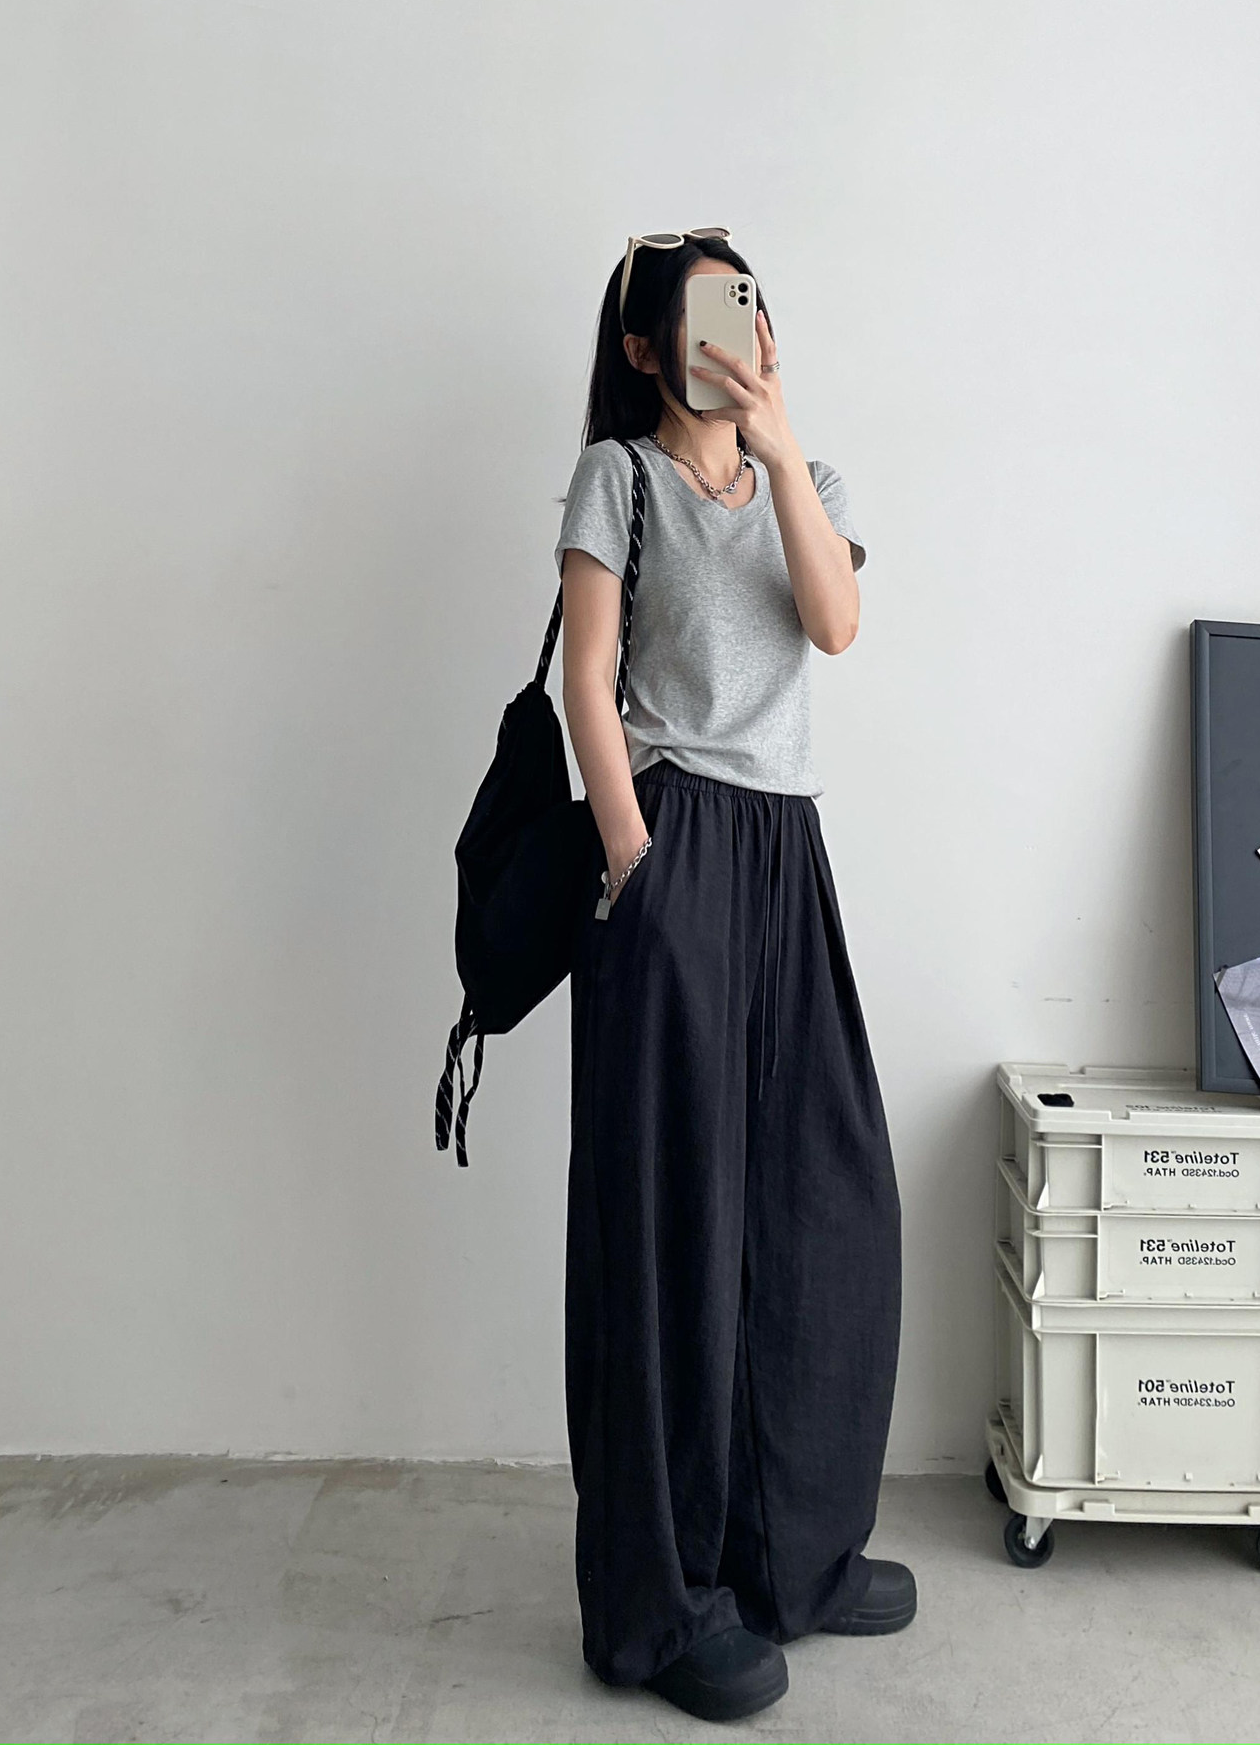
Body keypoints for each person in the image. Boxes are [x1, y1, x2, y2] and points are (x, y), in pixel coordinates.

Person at [551, 231, 908, 1724]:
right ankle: (663, 1603)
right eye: (704, 311)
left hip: (787, 855)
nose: (735, 327)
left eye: (749, 302)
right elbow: (586, 678)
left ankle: (792, 1554)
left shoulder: (807, 483)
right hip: (676, 839)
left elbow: (834, 624)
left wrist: (776, 441)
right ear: (647, 348)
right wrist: (634, 862)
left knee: (823, 1203)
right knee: (673, 1233)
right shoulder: (619, 478)